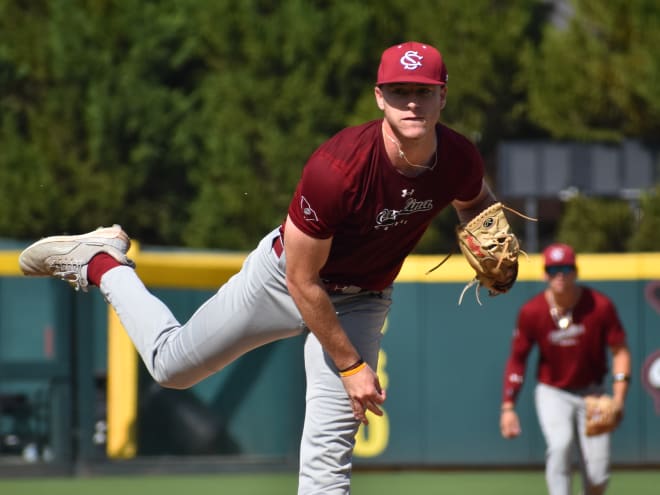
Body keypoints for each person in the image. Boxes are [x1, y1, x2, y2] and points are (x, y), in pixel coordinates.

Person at [19, 41, 513, 494]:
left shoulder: (459, 158)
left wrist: (487, 232)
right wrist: (353, 365)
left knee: (327, 463)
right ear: (379, 97)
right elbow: (303, 280)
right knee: (171, 366)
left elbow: (476, 199)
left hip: (362, 298)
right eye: (400, 91)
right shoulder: (336, 171)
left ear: (443, 97)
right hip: (284, 281)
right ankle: (104, 261)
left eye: (423, 92)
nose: (412, 104)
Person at [499, 243, 632, 495]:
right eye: (553, 269)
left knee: (598, 475)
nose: (559, 274)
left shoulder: (599, 306)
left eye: (565, 268)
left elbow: (620, 351)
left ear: (575, 271)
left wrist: (619, 398)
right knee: (560, 446)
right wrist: (508, 406)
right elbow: (518, 359)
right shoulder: (532, 311)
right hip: (553, 392)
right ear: (544, 274)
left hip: (593, 392)